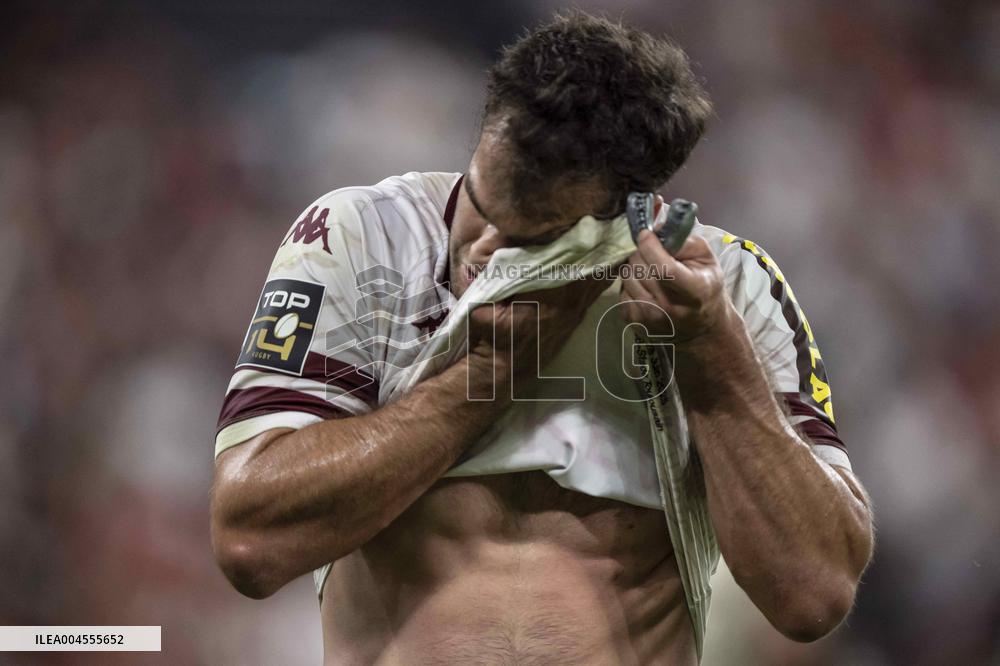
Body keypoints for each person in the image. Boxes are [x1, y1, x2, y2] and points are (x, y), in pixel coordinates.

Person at [210, 11, 874, 665]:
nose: (481, 254)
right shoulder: (363, 237)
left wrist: (713, 355)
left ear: (629, 211)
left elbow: (814, 596)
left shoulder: (729, 288)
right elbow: (249, 541)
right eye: (480, 202)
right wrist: (487, 375)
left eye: (533, 237)